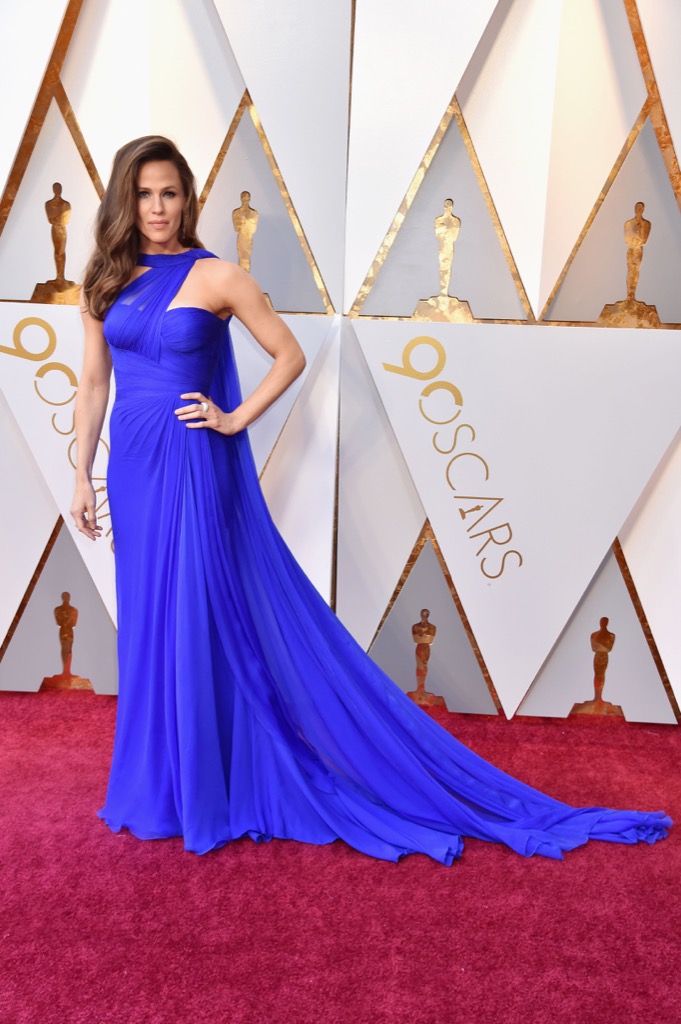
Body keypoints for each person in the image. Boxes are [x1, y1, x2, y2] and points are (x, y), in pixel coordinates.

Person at [72, 136, 670, 863]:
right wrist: (81, 474)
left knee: (198, 613)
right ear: (125, 200)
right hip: (134, 473)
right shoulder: (104, 279)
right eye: (144, 194)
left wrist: (233, 419)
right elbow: (94, 383)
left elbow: (288, 355)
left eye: (169, 193)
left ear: (186, 199)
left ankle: (206, 783)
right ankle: (157, 783)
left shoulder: (218, 275)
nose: (157, 208)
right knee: (148, 619)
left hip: (192, 467)